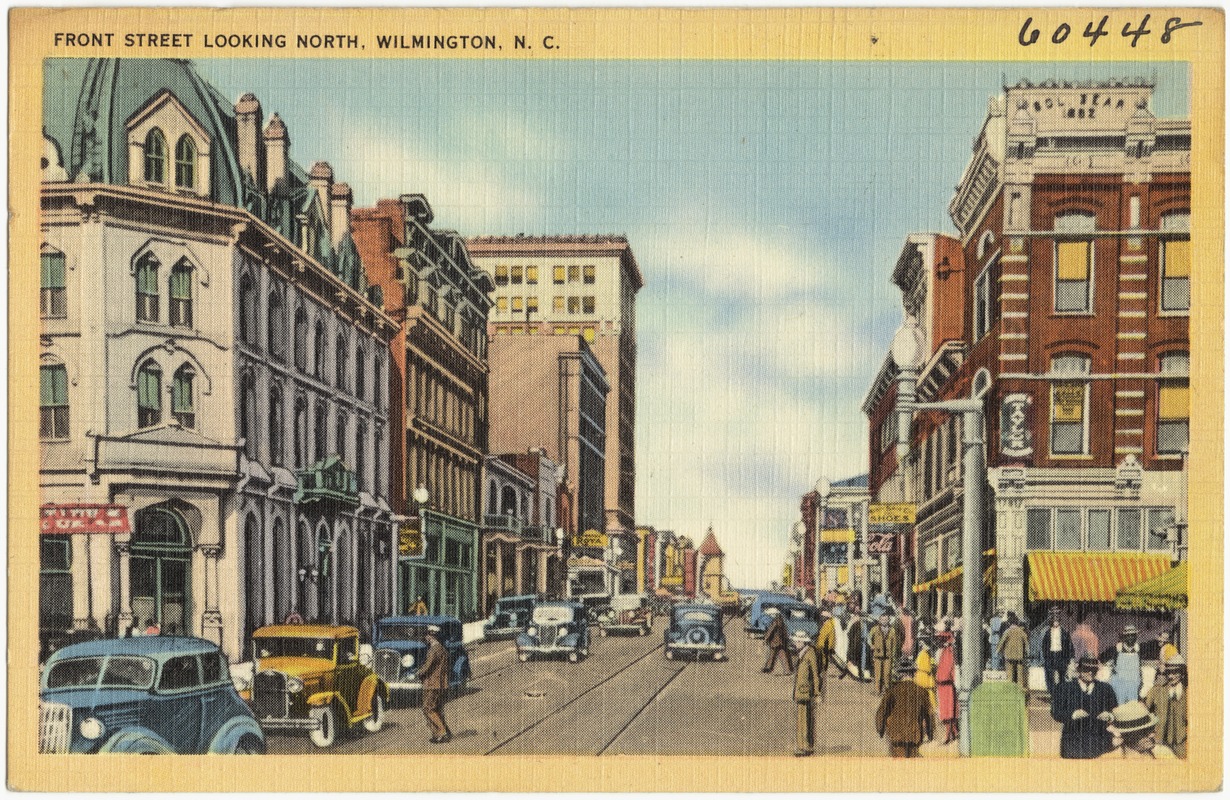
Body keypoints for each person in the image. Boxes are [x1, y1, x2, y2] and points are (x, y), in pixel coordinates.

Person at [1050, 656, 1117, 759]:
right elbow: (1055, 712)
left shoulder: (1106, 689)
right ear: (1079, 670)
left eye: (1094, 670)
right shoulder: (1064, 688)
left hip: (1099, 742)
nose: (1090, 672)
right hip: (1072, 742)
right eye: (1086, 669)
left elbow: (1115, 711)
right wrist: (1072, 714)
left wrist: (1110, 716)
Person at [875, 655, 935, 757]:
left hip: (896, 736)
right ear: (913, 673)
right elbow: (929, 716)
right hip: (914, 737)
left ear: (899, 674)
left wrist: (880, 730)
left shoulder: (892, 691)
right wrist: (930, 734)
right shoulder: (922, 692)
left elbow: (881, 712)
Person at [1100, 700, 1177, 759]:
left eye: (1151, 729)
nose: (1152, 734)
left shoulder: (1165, 754)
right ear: (1126, 735)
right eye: (1143, 732)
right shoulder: (1110, 760)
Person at [1144, 655, 1187, 758]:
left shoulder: (1189, 694)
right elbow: (1143, 712)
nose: (1171, 676)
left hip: (1182, 745)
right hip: (1160, 744)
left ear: (1182, 674)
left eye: (1175, 672)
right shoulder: (1156, 691)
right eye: (1169, 673)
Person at [792, 631, 825, 756]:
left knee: (805, 720)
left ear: (804, 642)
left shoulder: (810, 653)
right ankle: (801, 746)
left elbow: (816, 675)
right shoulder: (802, 653)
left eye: (798, 641)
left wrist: (817, 693)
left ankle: (805, 747)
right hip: (800, 691)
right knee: (800, 720)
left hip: (806, 692)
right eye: (795, 641)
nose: (795, 643)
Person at [419, 625, 452, 743]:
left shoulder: (433, 650)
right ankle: (441, 733)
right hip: (442, 683)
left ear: (430, 637)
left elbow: (427, 667)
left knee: (428, 708)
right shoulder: (442, 649)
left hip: (432, 683)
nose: (426, 637)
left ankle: (442, 732)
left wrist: (417, 673)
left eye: (427, 635)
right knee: (437, 709)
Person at [1107, 624, 1143, 705]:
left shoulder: (1139, 649)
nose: (1131, 638)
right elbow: (1104, 663)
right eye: (1128, 635)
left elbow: (1140, 670)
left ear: (1136, 637)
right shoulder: (1117, 649)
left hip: (1134, 685)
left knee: (1132, 708)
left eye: (1133, 635)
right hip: (1119, 685)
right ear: (1124, 637)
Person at [1042, 608, 1074, 697]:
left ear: (1059, 621)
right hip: (1051, 656)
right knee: (1049, 676)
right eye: (1054, 621)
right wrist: (1046, 656)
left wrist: (1070, 657)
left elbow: (1069, 645)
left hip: (1061, 655)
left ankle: (1061, 694)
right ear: (1051, 621)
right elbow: (1044, 645)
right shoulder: (1047, 632)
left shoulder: (1064, 632)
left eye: (1057, 620)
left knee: (1062, 676)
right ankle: (1053, 693)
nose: (1055, 622)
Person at [934, 631, 959, 744]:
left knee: (948, 710)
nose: (939, 642)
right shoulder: (944, 652)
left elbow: (949, 669)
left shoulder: (948, 652)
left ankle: (949, 734)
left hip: (947, 685)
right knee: (947, 710)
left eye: (941, 639)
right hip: (943, 685)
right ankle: (954, 732)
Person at [997, 612, 1030, 694]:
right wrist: (1027, 652)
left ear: (1009, 623)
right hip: (1019, 655)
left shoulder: (1007, 631)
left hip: (1009, 655)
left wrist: (998, 651)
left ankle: (1009, 690)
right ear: (1017, 623)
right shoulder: (1021, 631)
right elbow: (1026, 642)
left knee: (1009, 673)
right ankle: (1020, 690)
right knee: (1020, 675)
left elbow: (1002, 642)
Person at [869, 612, 901, 694]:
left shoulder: (892, 630)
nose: (884, 621)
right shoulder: (874, 629)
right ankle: (877, 690)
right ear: (879, 620)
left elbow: (894, 644)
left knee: (887, 674)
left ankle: (887, 690)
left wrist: (893, 655)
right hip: (878, 655)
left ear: (889, 620)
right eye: (882, 619)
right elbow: (868, 638)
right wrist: (872, 645)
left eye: (886, 619)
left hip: (888, 656)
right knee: (878, 675)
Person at [762, 608, 794, 674]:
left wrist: (765, 638)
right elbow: (785, 632)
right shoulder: (781, 620)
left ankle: (768, 669)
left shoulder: (776, 621)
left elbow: (770, 630)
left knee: (775, 655)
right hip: (780, 641)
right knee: (776, 655)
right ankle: (768, 668)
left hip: (775, 642)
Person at [914, 636, 936, 712]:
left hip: (925, 676)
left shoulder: (927, 653)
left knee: (928, 692)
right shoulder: (923, 653)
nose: (921, 645)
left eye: (923, 644)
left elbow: (928, 667)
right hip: (922, 676)